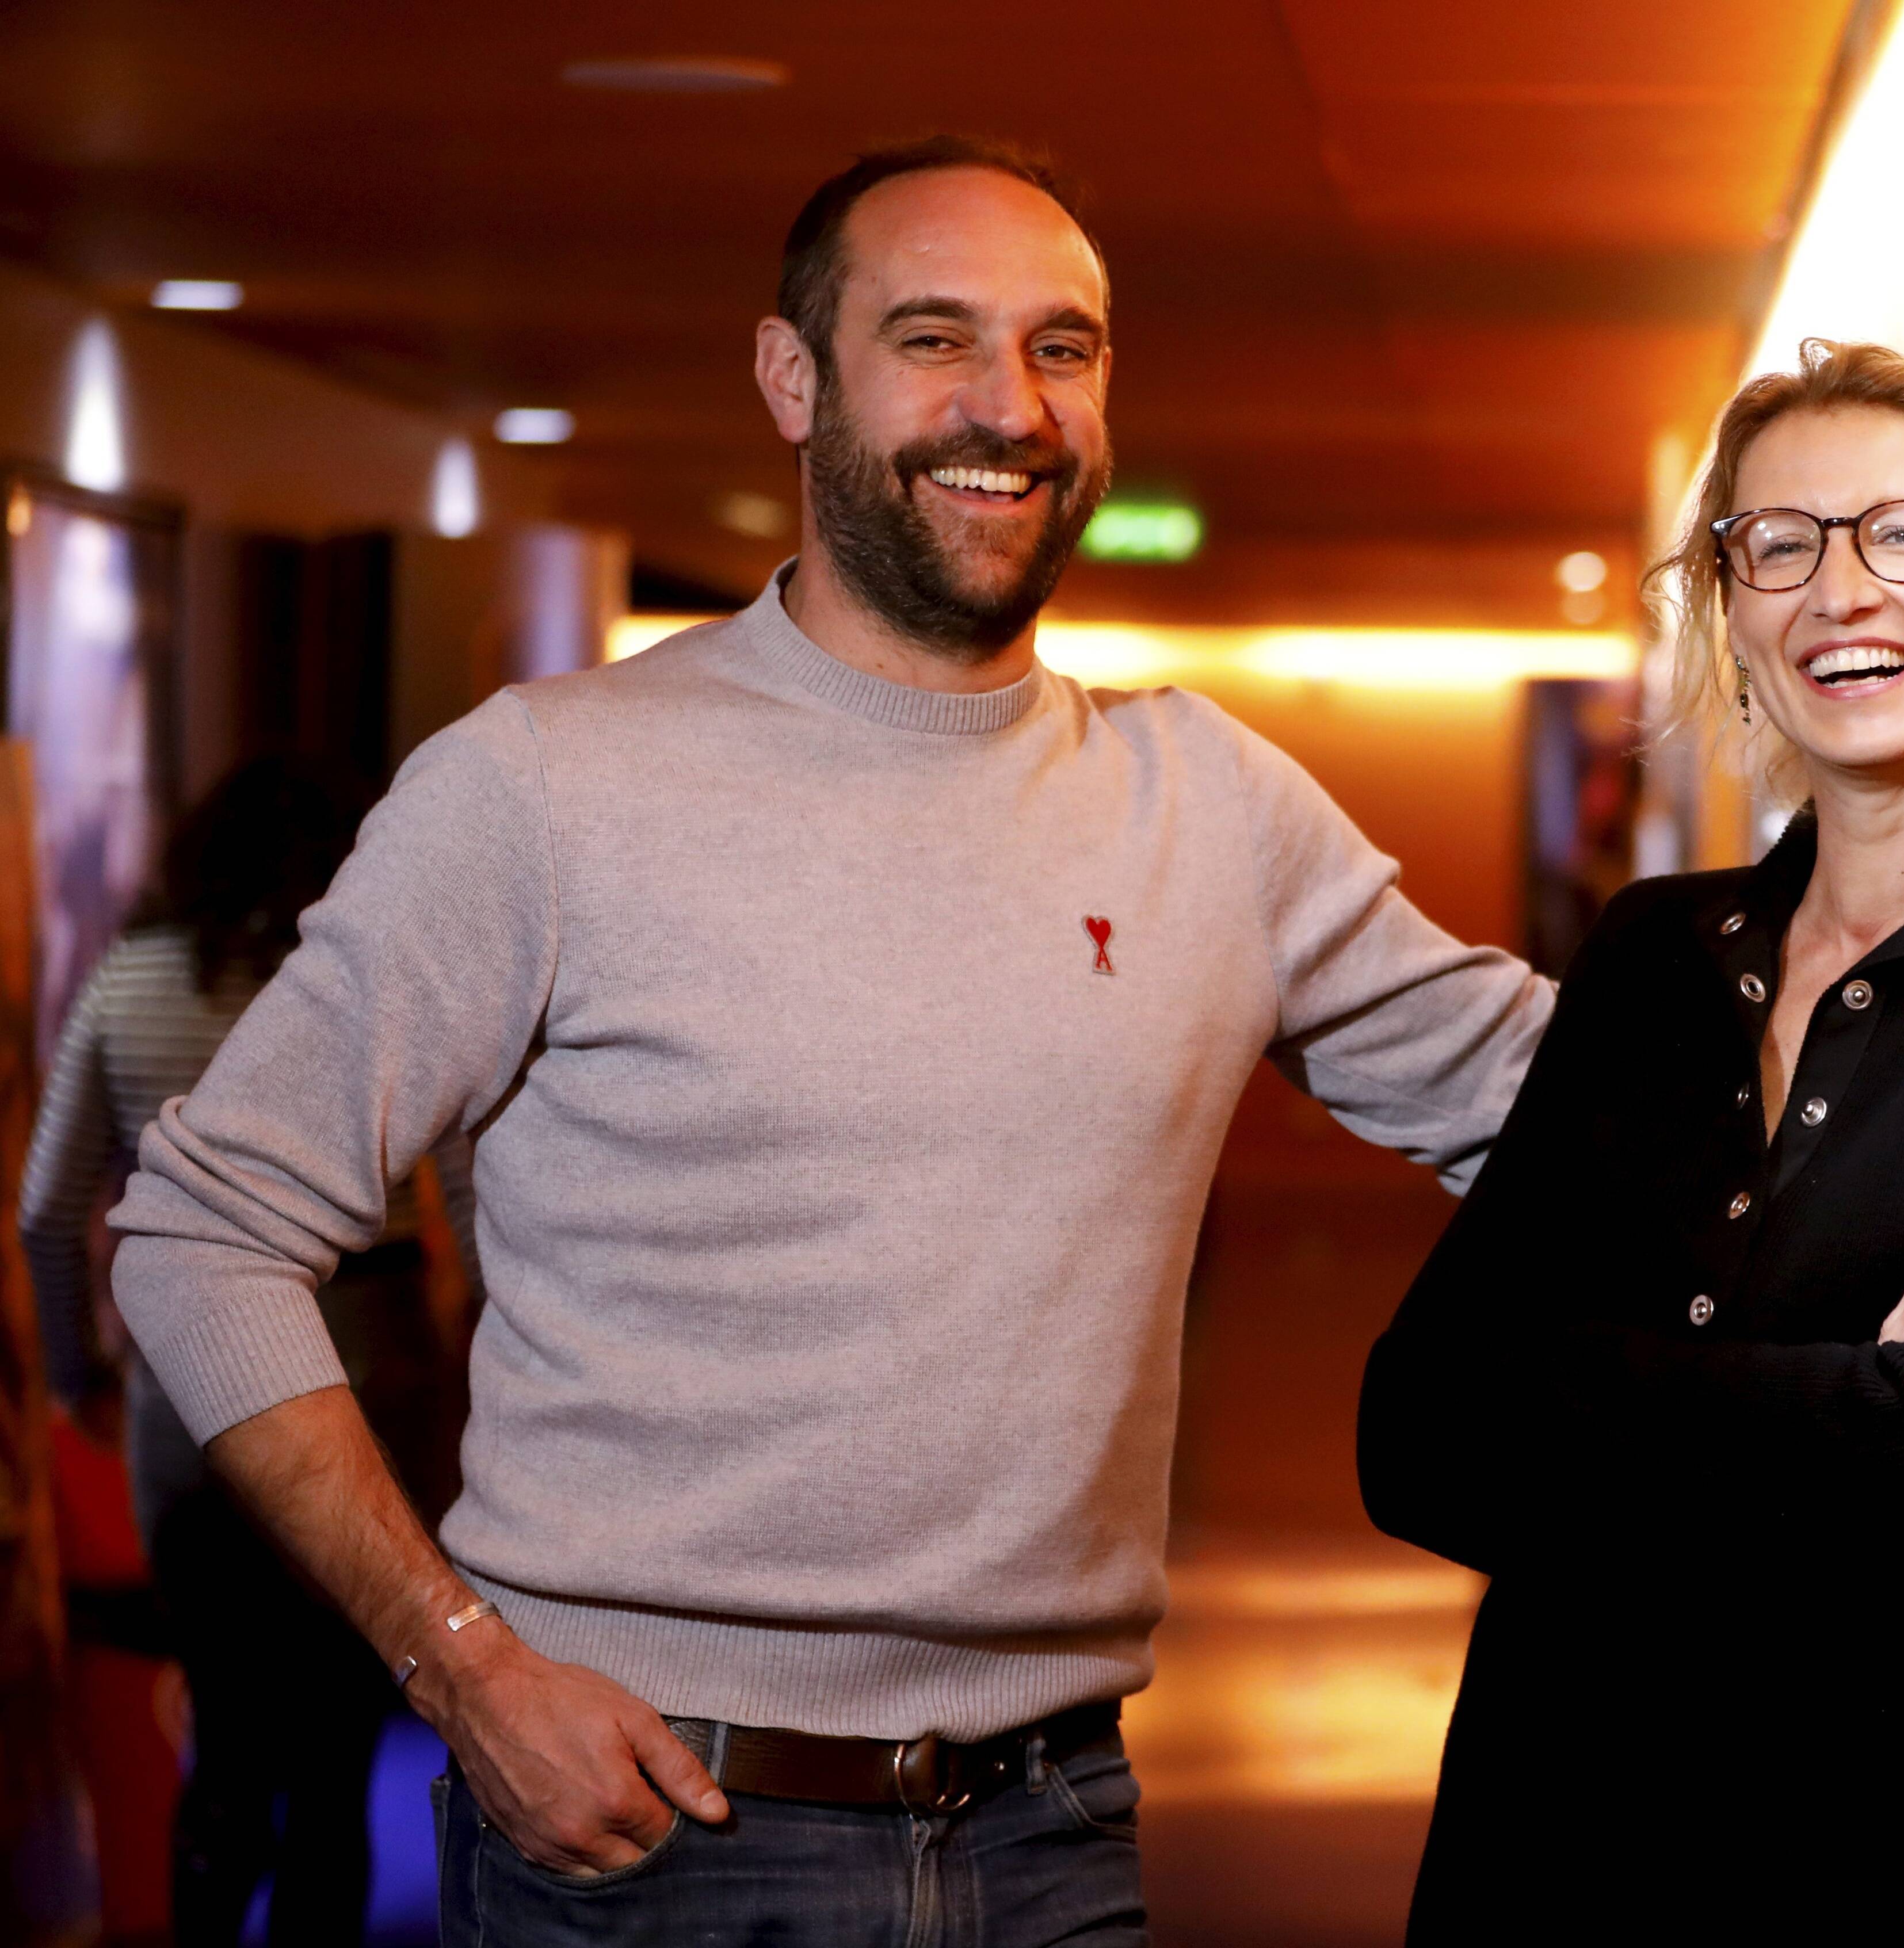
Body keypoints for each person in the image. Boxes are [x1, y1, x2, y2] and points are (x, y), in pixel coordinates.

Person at [107, 137, 1550, 1946]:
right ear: (794, 378)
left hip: (1055, 1834)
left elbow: (1579, 1109)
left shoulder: (1217, 809)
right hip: (641, 1845)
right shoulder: (548, 784)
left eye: (1064, 347)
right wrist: (458, 1661)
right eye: (933, 339)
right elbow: (196, 1231)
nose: (1007, 405)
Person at [1357, 339, 1904, 1941]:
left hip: (1880, 1858)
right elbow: (1418, 1431)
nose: (1842, 591)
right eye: (1779, 544)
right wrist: (1841, 1395)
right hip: (1539, 1841)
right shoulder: (1649, 955)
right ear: (1730, 615)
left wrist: (1579, 1383)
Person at [24, 758, 476, 1946]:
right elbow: (477, 1198)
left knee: (223, 1734)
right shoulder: (367, 981)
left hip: (185, 1392)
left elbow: (42, 1210)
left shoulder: (128, 982)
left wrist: (80, 1380)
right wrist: (470, 1344)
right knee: (338, 1745)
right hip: (374, 1381)